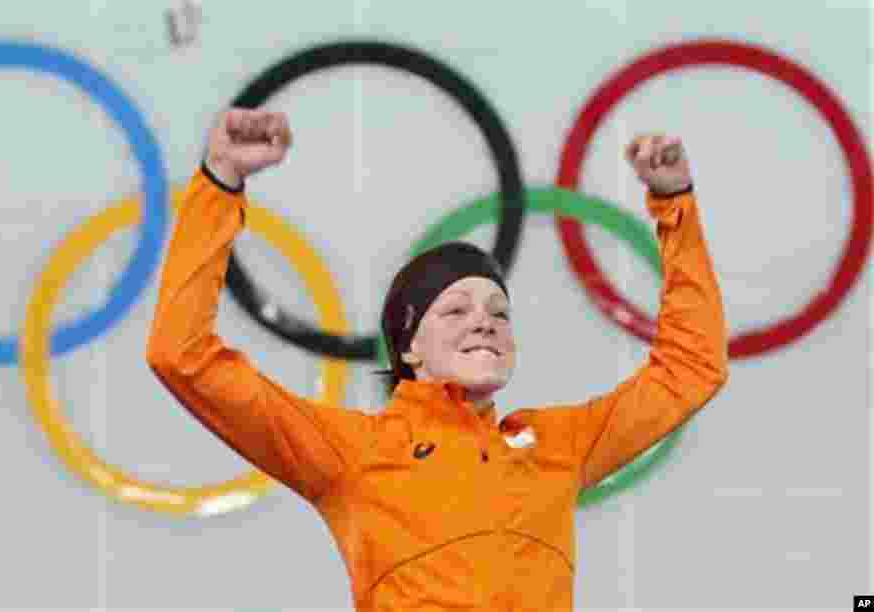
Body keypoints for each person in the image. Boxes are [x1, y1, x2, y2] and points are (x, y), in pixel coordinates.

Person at [146, 108, 729, 611]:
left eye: (499, 313)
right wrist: (219, 182)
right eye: (455, 311)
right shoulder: (351, 453)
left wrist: (674, 204)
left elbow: (693, 366)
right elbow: (181, 354)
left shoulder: (557, 446)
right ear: (407, 347)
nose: (485, 321)